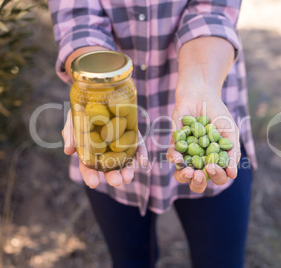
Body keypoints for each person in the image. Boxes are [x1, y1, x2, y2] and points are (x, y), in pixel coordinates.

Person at [49, 0, 257, 267]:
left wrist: (201, 85)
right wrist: (96, 95)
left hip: (207, 99)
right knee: (130, 260)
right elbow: (79, 18)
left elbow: (212, 12)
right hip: (109, 128)